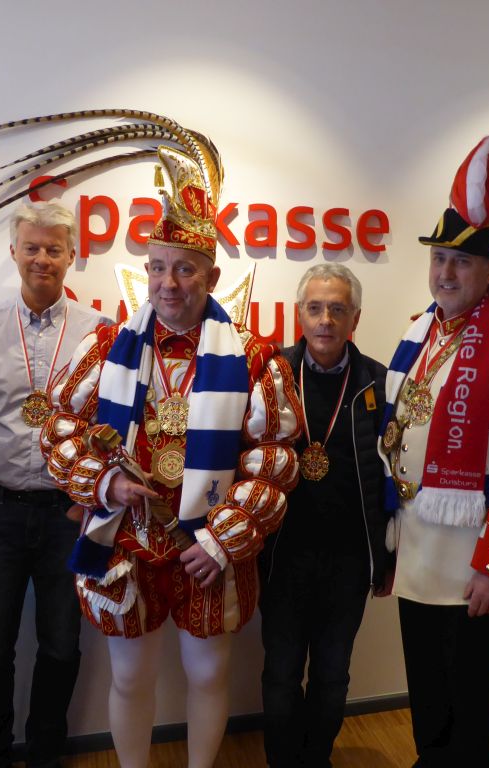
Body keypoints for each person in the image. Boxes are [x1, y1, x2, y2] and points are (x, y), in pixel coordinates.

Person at [41, 138, 302, 768]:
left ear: (212, 277)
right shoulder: (108, 346)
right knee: (131, 677)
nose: (167, 283)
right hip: (126, 540)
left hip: (208, 547)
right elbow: (60, 428)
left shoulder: (254, 357)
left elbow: (274, 460)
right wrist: (106, 484)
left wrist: (221, 541)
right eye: (157, 267)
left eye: (184, 269)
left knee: (208, 675)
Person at [380, 130, 489, 768]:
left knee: (472, 705)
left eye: (462, 262)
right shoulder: (418, 333)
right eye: (439, 259)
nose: (446, 273)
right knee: (428, 695)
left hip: (474, 565)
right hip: (418, 553)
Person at [0, 201, 110, 768]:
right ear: (14, 251)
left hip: (69, 516)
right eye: (32, 247)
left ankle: (45, 754)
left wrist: (87, 501)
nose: (42, 258)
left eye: (54, 249)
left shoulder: (100, 334)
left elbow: (114, 426)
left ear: (72, 256)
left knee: (61, 646)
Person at [259, 263, 389, 768]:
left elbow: (391, 478)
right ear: (300, 314)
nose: (326, 320)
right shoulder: (272, 375)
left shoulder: (378, 382)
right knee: (281, 674)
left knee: (333, 676)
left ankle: (316, 760)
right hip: (282, 557)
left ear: (355, 318)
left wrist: (384, 556)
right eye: (315, 308)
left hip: (348, 560)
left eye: (338, 309)